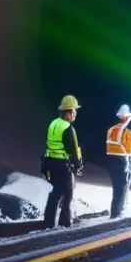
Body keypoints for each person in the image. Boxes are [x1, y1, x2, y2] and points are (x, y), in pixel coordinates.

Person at [41, 95, 83, 228]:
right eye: (74, 111)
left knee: (56, 191)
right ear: (69, 112)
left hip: (49, 163)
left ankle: (49, 222)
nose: (75, 114)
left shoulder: (53, 123)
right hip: (62, 165)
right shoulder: (68, 128)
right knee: (68, 193)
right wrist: (78, 165)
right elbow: (74, 149)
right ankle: (65, 223)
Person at [105, 104, 131, 218]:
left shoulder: (111, 130)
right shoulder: (127, 132)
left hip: (111, 161)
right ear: (127, 117)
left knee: (116, 187)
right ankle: (118, 213)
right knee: (122, 188)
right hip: (123, 161)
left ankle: (114, 211)